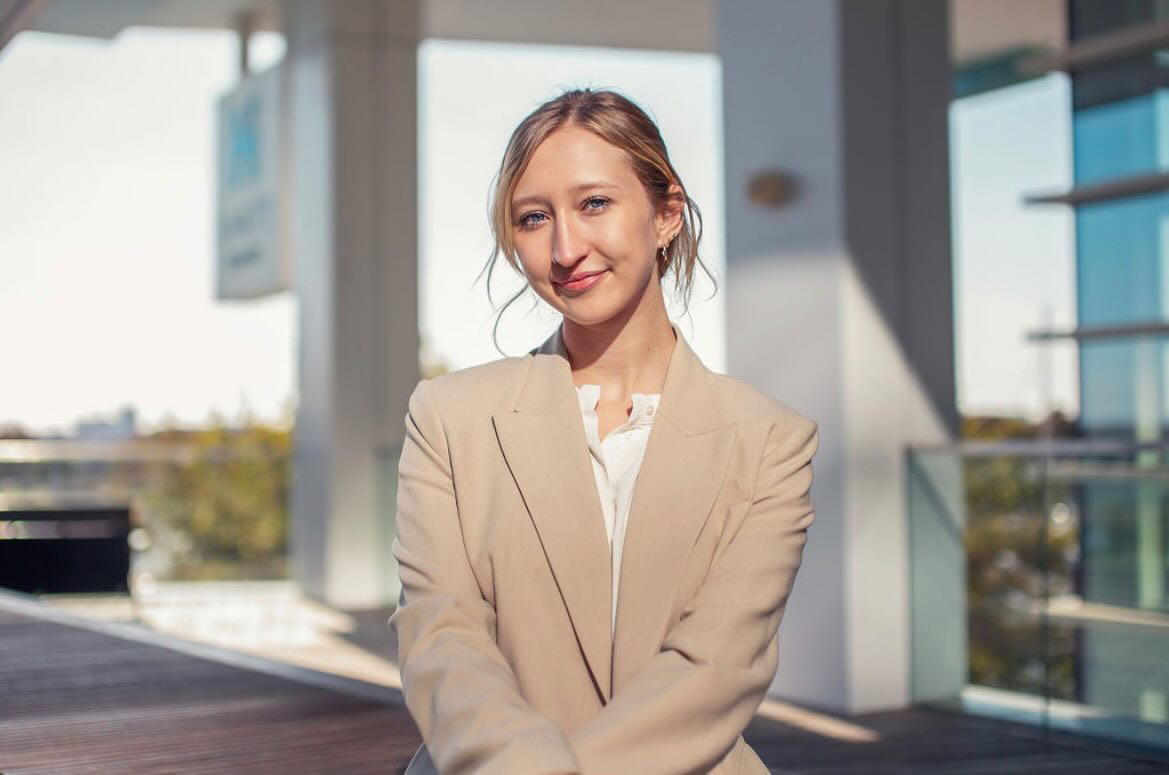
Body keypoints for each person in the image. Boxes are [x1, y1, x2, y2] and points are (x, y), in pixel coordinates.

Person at [389, 88, 819, 775]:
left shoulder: (769, 439)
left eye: (594, 203)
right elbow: (443, 639)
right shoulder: (448, 416)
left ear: (665, 213)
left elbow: (719, 664)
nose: (565, 247)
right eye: (534, 217)